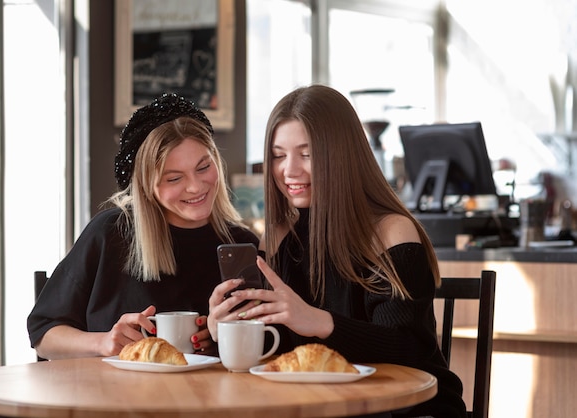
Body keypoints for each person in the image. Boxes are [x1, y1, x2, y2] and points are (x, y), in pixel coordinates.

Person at [208, 85, 466, 418]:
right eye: (278, 154)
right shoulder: (277, 236)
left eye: (307, 153)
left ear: (341, 154)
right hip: (321, 405)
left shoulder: (391, 232)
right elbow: (273, 352)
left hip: (406, 408)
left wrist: (318, 322)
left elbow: (408, 350)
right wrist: (225, 330)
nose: (289, 170)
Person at [28, 93, 259, 359]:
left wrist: (222, 340)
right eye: (174, 178)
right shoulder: (111, 233)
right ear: (146, 186)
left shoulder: (242, 245)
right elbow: (44, 334)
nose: (195, 186)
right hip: (117, 397)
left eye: (203, 167)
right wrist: (103, 343)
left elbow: (266, 347)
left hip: (207, 398)